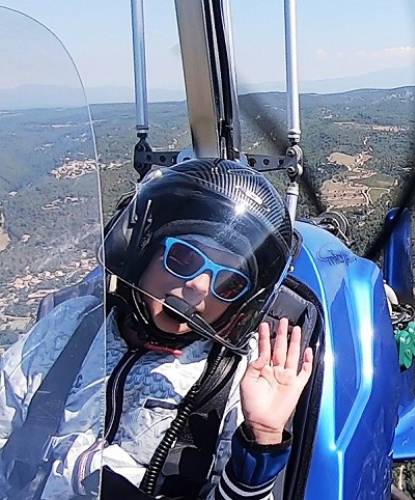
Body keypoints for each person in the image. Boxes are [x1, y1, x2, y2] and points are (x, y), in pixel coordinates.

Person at [0, 159, 312, 499]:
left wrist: (262, 440)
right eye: (184, 258)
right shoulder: (72, 327)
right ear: (142, 250)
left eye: (229, 282)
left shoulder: (240, 378)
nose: (198, 286)